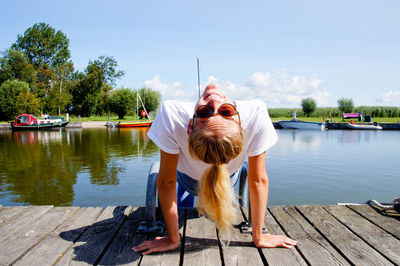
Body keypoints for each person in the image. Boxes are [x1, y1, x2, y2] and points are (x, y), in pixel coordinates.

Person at [133, 84, 297, 255]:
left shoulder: (171, 113)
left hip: (186, 178)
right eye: (206, 112)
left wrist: (173, 240)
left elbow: (167, 181)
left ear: (190, 127)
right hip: (228, 178)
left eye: (225, 111)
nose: (214, 100)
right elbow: (257, 180)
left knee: (182, 195)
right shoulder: (255, 113)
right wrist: (259, 237)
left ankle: (184, 205)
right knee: (186, 195)